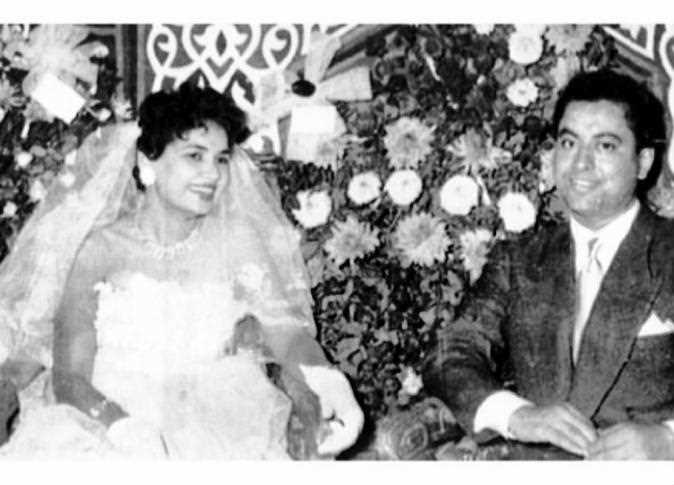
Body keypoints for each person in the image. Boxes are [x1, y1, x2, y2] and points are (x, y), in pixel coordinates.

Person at [0, 83, 363, 459]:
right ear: (147, 162)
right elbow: (69, 376)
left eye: (221, 159)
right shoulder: (99, 249)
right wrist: (122, 427)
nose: (212, 174)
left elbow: (287, 333)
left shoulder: (237, 241)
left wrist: (329, 381)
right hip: (105, 423)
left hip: (218, 421)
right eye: (195, 156)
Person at [425, 69, 674, 460]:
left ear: (643, 162)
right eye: (569, 143)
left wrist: (667, 439)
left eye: (605, 146)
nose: (581, 164)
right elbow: (451, 351)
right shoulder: (519, 259)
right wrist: (517, 416)